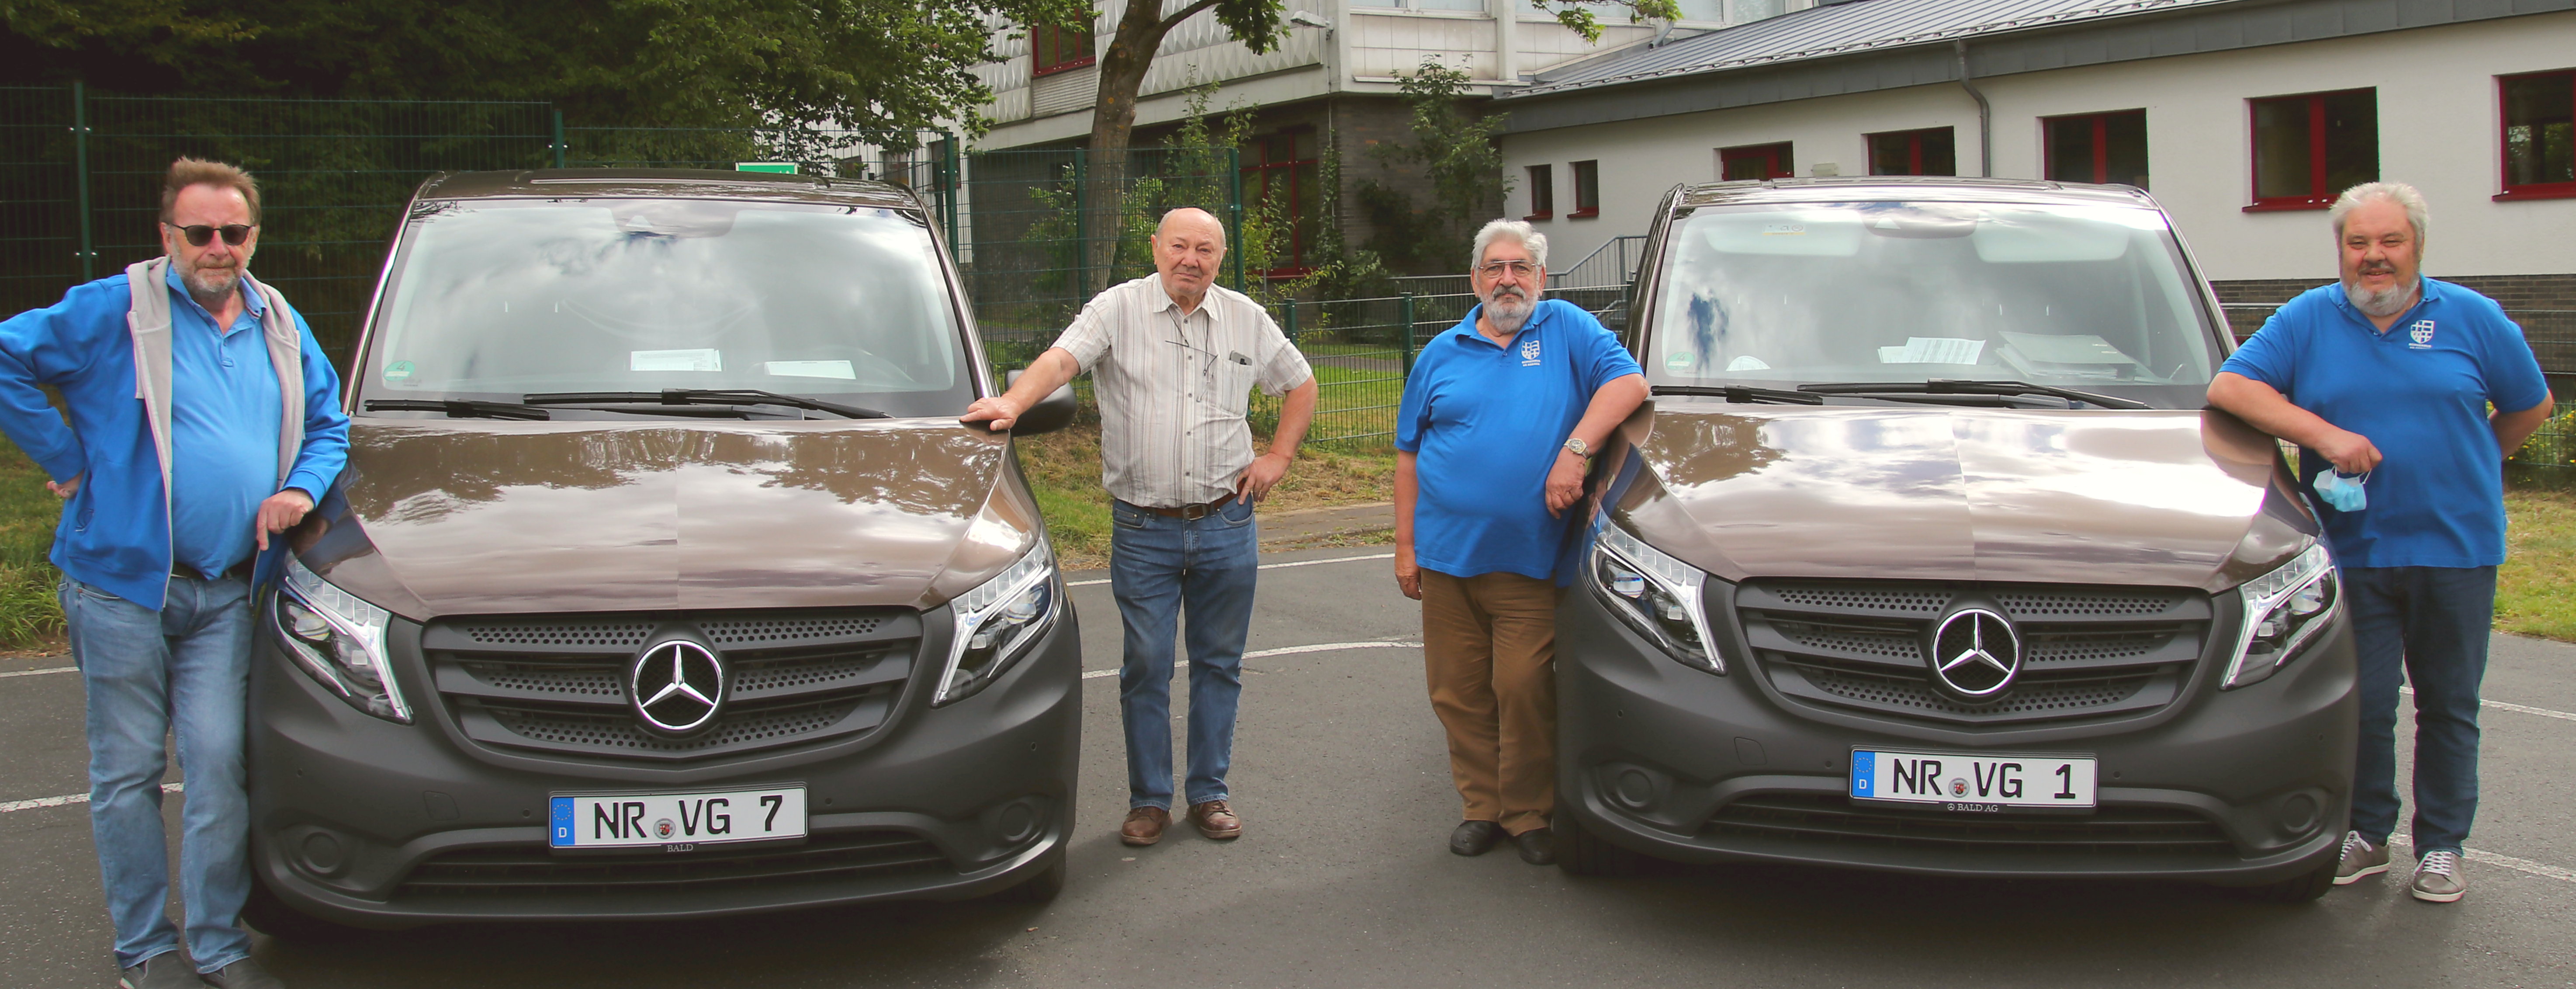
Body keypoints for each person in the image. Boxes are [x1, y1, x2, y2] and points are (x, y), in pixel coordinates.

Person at [0, 159, 345, 989]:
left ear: (253, 237)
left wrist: (299, 488)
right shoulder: (113, 308)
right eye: (200, 233)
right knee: (126, 775)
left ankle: (220, 945)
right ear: (167, 237)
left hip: (226, 588)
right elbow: (7, 358)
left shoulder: (280, 320)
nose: (217, 248)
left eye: (234, 232)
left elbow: (329, 424)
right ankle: (145, 952)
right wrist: (67, 459)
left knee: (219, 765)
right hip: (120, 589)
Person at [2207, 181, 2553, 904]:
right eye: (2357, 243)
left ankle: (2443, 848)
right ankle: (2366, 835)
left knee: (2449, 704)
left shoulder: (2473, 317)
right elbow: (2234, 388)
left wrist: (2477, 462)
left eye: (2389, 242)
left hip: (2456, 549)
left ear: (2416, 246)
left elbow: (2531, 404)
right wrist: (2324, 435)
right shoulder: (2310, 317)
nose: (2373, 258)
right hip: (2352, 550)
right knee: (2363, 703)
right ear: (2341, 249)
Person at [963, 207, 1316, 846]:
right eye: (1179, 245)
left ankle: (1209, 794)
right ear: (1156, 249)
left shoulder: (1245, 318)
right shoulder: (1117, 309)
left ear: (1220, 257)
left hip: (1226, 520)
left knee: (1219, 664)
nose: (1191, 259)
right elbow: (1063, 360)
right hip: (1144, 526)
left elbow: (1301, 384)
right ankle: (1150, 800)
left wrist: (1279, 458)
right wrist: (1014, 403)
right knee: (1147, 664)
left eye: (1205, 249)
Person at [1393, 220, 1647, 865]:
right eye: (1495, 268)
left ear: (1541, 278)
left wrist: (1576, 451)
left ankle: (1528, 813)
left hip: (1530, 562)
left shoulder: (1565, 328)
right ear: (1475, 280)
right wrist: (1404, 547)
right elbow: (1408, 457)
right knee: (1458, 691)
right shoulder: (1440, 353)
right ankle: (1482, 809)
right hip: (1447, 559)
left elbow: (1629, 386)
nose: (1508, 279)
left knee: (1524, 689)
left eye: (1521, 268)